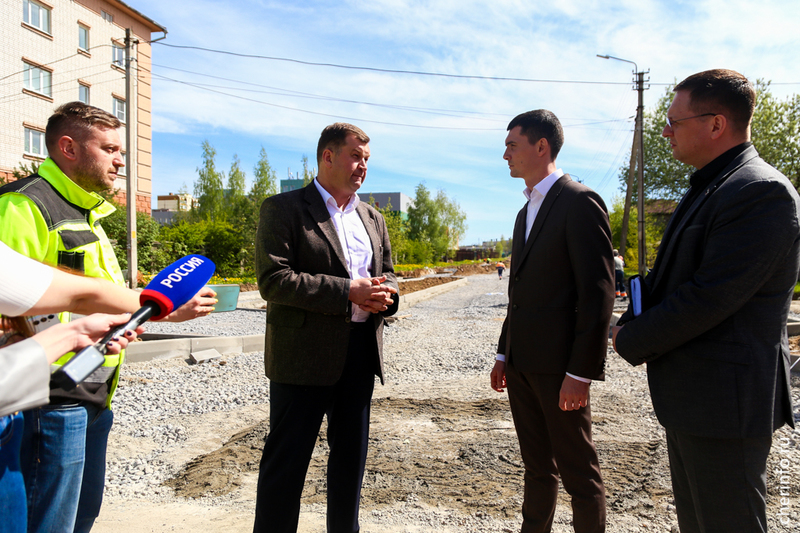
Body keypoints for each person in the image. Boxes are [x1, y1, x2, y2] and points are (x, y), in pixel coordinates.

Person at [0, 101, 216, 533]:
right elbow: (13, 311)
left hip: (96, 392)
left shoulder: (90, 212)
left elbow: (93, 301)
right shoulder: (22, 207)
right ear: (69, 148)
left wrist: (161, 313)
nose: (120, 161)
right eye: (110, 149)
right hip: (50, 398)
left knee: (81, 518)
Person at [612, 69, 799, 533]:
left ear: (716, 124)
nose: (665, 132)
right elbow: (674, 279)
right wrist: (631, 313)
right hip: (697, 400)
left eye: (674, 121)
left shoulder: (761, 191)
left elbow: (709, 297)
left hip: (726, 405)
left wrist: (630, 338)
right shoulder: (711, 186)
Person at [253, 122, 398, 533]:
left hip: (360, 354)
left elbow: (389, 274)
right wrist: (348, 292)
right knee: (286, 466)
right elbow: (273, 280)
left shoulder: (373, 217)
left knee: (351, 462)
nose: (362, 166)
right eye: (355, 156)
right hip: (302, 357)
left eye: (367, 159)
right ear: (328, 156)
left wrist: (386, 296)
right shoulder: (283, 209)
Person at [490, 110, 614, 533]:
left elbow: (597, 294)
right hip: (522, 364)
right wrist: (504, 354)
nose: (505, 154)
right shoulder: (524, 212)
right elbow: (519, 291)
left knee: (580, 474)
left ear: (541, 146)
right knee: (537, 468)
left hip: (561, 369)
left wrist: (581, 372)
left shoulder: (579, 202)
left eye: (512, 145)